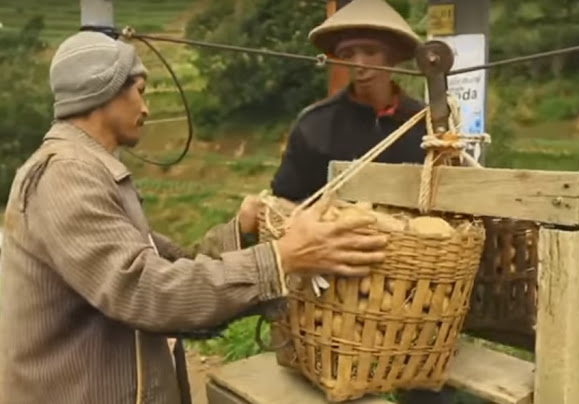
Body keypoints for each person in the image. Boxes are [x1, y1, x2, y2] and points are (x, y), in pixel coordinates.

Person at [0, 31, 389, 404]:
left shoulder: (90, 172)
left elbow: (173, 265)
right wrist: (281, 259)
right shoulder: (66, 176)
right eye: (140, 91)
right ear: (106, 90)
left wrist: (243, 230)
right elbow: (146, 291)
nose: (147, 108)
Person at [271, 1, 455, 403]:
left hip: (413, 288)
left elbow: (451, 201)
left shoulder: (427, 124)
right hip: (337, 290)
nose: (361, 63)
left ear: (392, 57)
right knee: (338, 384)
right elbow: (285, 200)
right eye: (350, 53)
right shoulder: (315, 125)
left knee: (425, 384)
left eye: (370, 52)